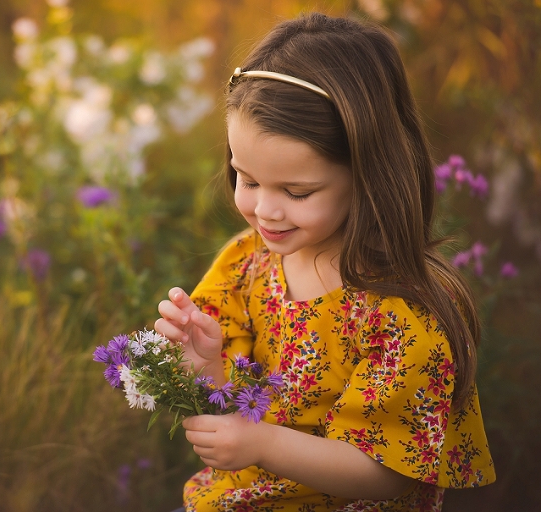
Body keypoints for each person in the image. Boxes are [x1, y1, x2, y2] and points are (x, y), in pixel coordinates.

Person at [154, 12, 495, 512]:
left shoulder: (404, 313)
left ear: (368, 172)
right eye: (246, 179)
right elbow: (224, 413)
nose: (264, 211)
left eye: (296, 191)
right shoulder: (246, 262)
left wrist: (261, 444)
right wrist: (206, 365)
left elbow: (388, 474)